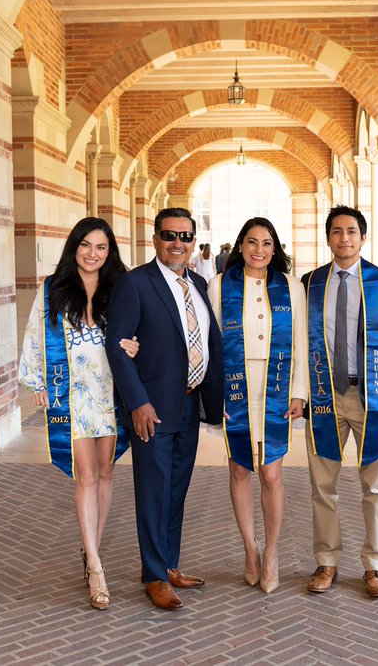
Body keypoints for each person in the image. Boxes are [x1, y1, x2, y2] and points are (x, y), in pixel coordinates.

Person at [105, 207, 224, 611]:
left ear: (194, 242)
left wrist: (216, 400)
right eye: (170, 236)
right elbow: (117, 346)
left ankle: (169, 565)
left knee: (176, 491)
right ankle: (154, 576)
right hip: (152, 410)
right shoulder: (135, 284)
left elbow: (207, 341)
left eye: (186, 237)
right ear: (155, 239)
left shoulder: (200, 284)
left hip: (189, 406)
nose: (178, 244)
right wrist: (137, 401)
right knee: (153, 494)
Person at [18, 217, 140, 611]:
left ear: (110, 252)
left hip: (110, 392)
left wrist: (136, 346)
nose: (93, 254)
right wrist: (38, 383)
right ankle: (97, 569)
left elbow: (138, 332)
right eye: (86, 245)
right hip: (74, 395)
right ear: (74, 247)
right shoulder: (53, 289)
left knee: (106, 472)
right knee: (85, 476)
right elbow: (35, 335)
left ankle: (91, 552)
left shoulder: (119, 288)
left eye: (101, 247)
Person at [301, 205, 378, 599]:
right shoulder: (310, 283)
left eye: (351, 231)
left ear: (363, 237)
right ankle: (327, 560)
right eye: (336, 231)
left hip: (371, 398)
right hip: (325, 396)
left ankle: (376, 567)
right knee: (322, 485)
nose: (344, 238)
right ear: (328, 237)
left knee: (375, 486)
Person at [205, 218, 307, 594]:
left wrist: (299, 392)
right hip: (236, 387)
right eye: (252, 242)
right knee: (239, 469)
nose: (259, 249)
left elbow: (301, 341)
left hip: (277, 386)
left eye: (266, 243)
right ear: (240, 246)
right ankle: (250, 548)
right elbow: (212, 343)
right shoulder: (219, 286)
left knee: (272, 474)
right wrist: (214, 395)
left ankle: (272, 552)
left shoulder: (292, 287)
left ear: (275, 248)